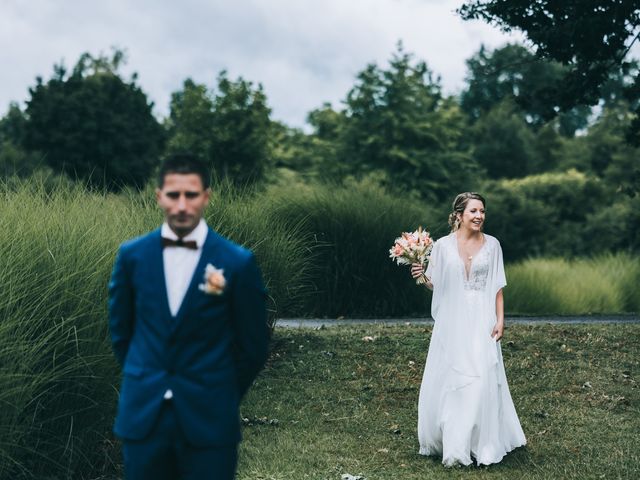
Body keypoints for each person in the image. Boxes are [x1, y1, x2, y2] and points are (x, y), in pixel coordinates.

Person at [108, 153, 269, 479]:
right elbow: (121, 332)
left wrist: (219, 390)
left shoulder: (237, 262)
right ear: (159, 197)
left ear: (206, 197)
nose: (182, 205)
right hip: (144, 418)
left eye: (191, 195)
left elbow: (253, 346)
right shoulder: (132, 257)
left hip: (209, 418)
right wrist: (147, 376)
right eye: (173, 195)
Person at [411, 192, 526, 466]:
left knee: (482, 377)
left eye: (482, 211)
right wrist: (422, 276)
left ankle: (481, 443)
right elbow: (436, 283)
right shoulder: (441, 246)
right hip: (452, 321)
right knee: (453, 379)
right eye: (473, 211)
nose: (479, 216)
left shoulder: (493, 245)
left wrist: (500, 319)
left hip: (481, 321)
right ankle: (455, 440)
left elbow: (497, 286)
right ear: (459, 215)